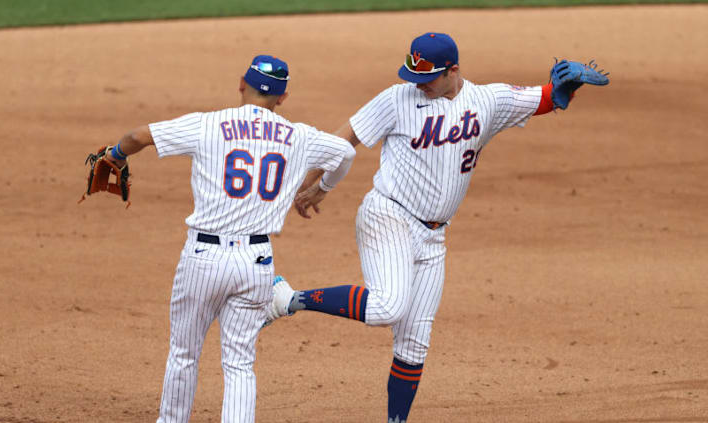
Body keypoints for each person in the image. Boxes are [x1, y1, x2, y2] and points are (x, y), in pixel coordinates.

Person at [266, 33, 609, 422]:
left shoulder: (488, 101)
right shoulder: (398, 99)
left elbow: (546, 98)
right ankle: (286, 299)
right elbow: (342, 139)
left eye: (427, 77)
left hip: (434, 237)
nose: (419, 84)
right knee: (387, 306)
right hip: (388, 215)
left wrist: (568, 88)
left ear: (454, 72)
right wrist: (313, 186)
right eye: (413, 74)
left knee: (413, 344)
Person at [100, 55, 356, 423]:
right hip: (257, 262)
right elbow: (345, 152)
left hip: (204, 257)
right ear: (282, 98)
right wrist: (321, 189)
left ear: (241, 84)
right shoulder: (299, 136)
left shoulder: (208, 125)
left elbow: (137, 137)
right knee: (239, 363)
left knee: (184, 354)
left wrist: (117, 156)